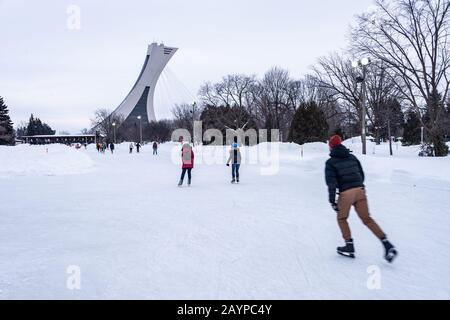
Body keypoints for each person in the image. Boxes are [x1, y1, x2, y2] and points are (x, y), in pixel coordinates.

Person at [325, 135, 398, 263]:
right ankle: (386, 244)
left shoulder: (330, 162)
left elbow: (331, 183)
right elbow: (361, 174)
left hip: (346, 193)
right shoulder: (352, 157)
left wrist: (332, 201)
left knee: (342, 218)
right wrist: (357, 186)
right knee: (367, 219)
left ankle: (349, 245)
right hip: (360, 190)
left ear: (331, 147)